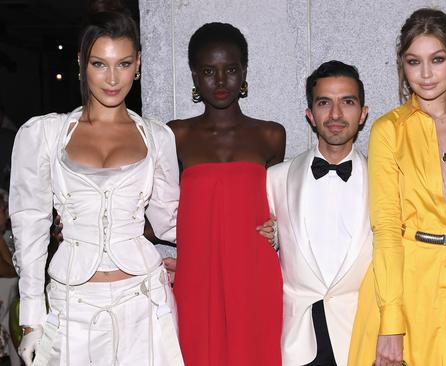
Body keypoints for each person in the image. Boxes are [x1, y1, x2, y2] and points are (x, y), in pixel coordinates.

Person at [9, 2, 183, 365]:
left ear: (138, 64)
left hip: (144, 303)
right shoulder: (45, 134)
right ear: (80, 62)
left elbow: (173, 221)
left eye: (123, 63)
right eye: (99, 64)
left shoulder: (157, 136)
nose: (112, 78)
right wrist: (30, 320)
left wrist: (252, 227)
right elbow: (30, 229)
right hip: (71, 308)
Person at [348, 8, 446, 366]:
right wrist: (391, 323)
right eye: (414, 62)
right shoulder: (389, 130)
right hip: (407, 288)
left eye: (438, 59)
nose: (426, 74)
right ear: (403, 65)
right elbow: (385, 229)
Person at [167, 22, 285, 366]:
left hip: (255, 275)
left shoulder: (270, 136)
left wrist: (280, 231)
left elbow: (280, 205)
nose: (220, 82)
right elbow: (157, 207)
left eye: (230, 69)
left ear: (244, 72)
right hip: (197, 277)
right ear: (194, 76)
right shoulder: (175, 135)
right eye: (208, 71)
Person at [266, 60, 372, 366]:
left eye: (347, 102)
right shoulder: (275, 179)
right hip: (298, 340)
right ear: (310, 115)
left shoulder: (386, 181)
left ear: (363, 113)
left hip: (360, 338)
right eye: (325, 102)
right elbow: (247, 241)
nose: (336, 114)